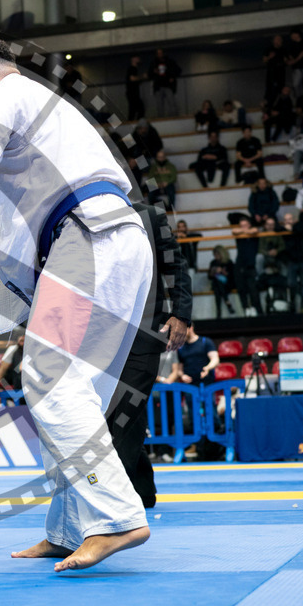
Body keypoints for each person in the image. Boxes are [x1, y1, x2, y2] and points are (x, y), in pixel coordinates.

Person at [0, 34, 153, 572]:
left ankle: (117, 518)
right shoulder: (47, 117)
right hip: (118, 239)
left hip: (87, 237)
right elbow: (0, 221)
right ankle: (68, 530)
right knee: (70, 392)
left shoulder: (1, 98)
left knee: (50, 379)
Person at [109, 201, 192, 508]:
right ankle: (140, 487)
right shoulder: (77, 216)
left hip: (143, 329)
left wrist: (181, 315)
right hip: (96, 332)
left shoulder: (148, 216)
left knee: (128, 406)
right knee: (116, 410)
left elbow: (175, 266)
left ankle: (114, 498)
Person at [281, 212, 303, 313]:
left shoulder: (300, 225)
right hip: (292, 261)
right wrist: (287, 228)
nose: (288, 221)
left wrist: (291, 229)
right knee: (291, 283)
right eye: (286, 219)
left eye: (290, 219)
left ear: (294, 219)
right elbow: (276, 228)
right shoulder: (283, 229)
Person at [231, 218, 263, 317]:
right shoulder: (239, 233)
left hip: (251, 265)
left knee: (253, 289)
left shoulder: (254, 233)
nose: (243, 227)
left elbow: (255, 230)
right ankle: (246, 309)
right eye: (241, 225)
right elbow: (234, 231)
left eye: (245, 225)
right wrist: (245, 231)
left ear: (249, 224)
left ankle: (257, 310)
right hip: (240, 265)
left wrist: (245, 231)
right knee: (241, 289)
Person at [148, 49, 180, 117]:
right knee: (159, 105)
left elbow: (178, 70)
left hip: (168, 85)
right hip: (158, 86)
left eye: (161, 53)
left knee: (172, 103)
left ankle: (174, 117)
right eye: (158, 53)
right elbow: (149, 74)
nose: (160, 55)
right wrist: (154, 72)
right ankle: (161, 119)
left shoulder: (169, 62)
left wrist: (172, 77)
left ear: (163, 53)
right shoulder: (153, 63)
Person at [207, 245, 237, 318]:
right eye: (215, 255)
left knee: (218, 285)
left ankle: (218, 312)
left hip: (227, 283)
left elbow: (232, 276)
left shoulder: (228, 262)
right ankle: (228, 303)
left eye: (217, 254)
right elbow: (209, 276)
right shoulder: (213, 262)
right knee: (217, 284)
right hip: (218, 284)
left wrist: (223, 272)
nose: (216, 256)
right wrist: (214, 272)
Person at [263, 34, 287, 104]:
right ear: (273, 41)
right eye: (277, 39)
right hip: (272, 71)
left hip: (281, 71)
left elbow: (287, 60)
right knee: (270, 88)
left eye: (280, 39)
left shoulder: (283, 49)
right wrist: (269, 57)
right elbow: (264, 60)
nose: (279, 41)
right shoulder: (269, 49)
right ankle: (268, 102)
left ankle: (281, 102)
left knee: (280, 88)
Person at [285, 28, 303, 94]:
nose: (291, 37)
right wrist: (291, 60)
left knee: (297, 84)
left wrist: (295, 60)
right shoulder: (292, 45)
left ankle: (300, 96)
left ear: (297, 34)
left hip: (301, 67)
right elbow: (289, 54)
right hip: (295, 68)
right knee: (297, 84)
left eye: (292, 35)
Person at [125, 55, 145, 121]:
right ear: (133, 59)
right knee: (138, 109)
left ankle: (133, 122)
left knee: (134, 110)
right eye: (137, 57)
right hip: (132, 93)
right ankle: (134, 123)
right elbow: (132, 78)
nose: (138, 59)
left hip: (134, 92)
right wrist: (142, 77)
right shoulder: (132, 68)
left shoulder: (135, 69)